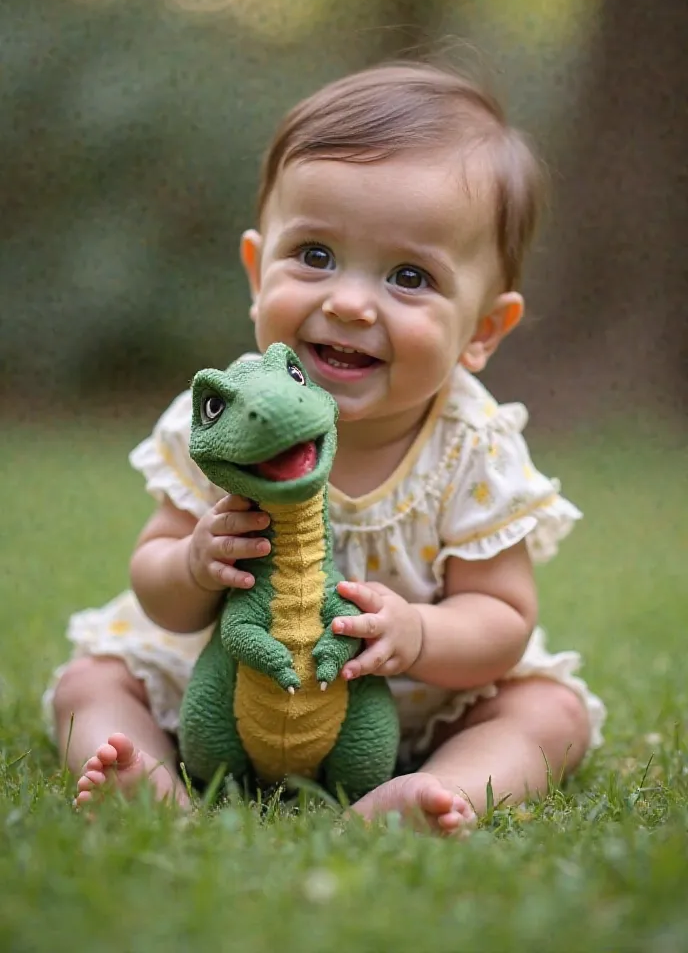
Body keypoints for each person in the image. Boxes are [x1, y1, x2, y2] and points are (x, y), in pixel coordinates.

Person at [46, 60, 605, 835]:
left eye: (409, 276)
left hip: (412, 707)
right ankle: (149, 781)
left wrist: (418, 635)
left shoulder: (472, 447)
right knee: (91, 679)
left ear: (481, 332)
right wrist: (193, 560)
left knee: (550, 712)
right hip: (230, 689)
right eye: (314, 256)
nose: (347, 302)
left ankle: (437, 790)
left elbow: (503, 614)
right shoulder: (219, 413)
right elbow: (157, 590)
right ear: (255, 270)